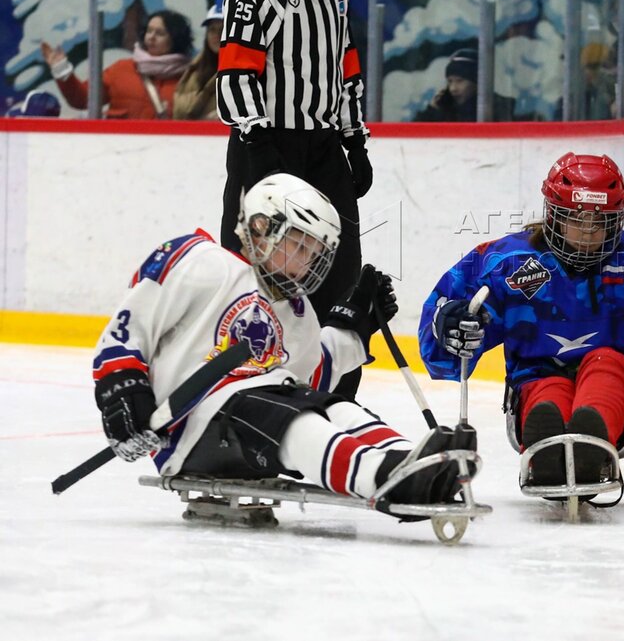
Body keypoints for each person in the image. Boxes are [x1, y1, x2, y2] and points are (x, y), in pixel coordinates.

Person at [90, 173, 469, 512]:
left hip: (254, 417)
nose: (305, 264)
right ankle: (383, 478)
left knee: (337, 409)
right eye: (299, 247)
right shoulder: (203, 261)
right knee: (290, 418)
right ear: (260, 228)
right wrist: (122, 391)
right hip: (192, 428)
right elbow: (129, 329)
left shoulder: (296, 310)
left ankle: (413, 462)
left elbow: (310, 381)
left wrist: (352, 326)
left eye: (314, 254)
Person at [418, 152, 624, 486]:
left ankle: (591, 441)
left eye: (599, 221)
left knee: (607, 365)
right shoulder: (506, 261)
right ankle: (546, 446)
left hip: (616, 390)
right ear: (553, 214)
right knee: (546, 390)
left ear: (617, 220)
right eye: (576, 219)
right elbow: (445, 336)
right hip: (536, 379)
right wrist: (451, 323)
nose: (587, 233)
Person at [217, 0, 372, 397]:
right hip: (266, 143)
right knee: (258, 267)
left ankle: (336, 394)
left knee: (340, 267)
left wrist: (354, 140)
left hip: (323, 145)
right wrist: (256, 140)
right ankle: (248, 386)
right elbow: (236, 71)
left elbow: (346, 71)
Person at [41, 9, 192, 119]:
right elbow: (82, 99)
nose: (151, 37)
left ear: (176, 40)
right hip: (119, 151)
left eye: (160, 33)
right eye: (149, 31)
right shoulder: (121, 69)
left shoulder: (191, 78)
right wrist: (62, 70)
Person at [413, 47, 526, 121]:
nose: (453, 88)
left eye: (460, 81)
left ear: (477, 82)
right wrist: (432, 110)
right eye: (450, 81)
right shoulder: (446, 109)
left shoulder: (501, 107)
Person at [174, 4, 222, 121]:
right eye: (212, 30)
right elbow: (179, 113)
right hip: (193, 132)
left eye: (223, 30)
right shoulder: (194, 70)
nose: (216, 35)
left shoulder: (247, 72)